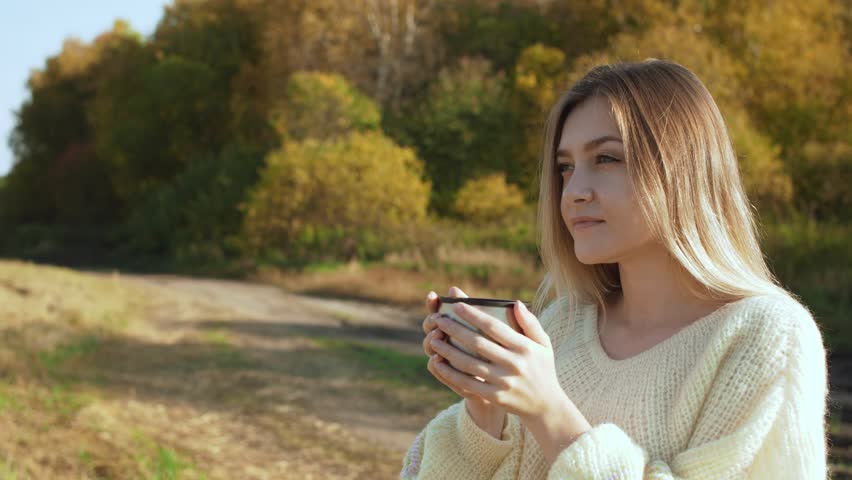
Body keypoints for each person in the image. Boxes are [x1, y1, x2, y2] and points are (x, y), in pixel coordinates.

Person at [399, 59, 829, 479]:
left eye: (606, 158)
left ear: (681, 169)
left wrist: (549, 411)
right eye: (566, 167)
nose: (574, 191)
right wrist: (485, 411)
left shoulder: (766, 336)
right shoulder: (564, 324)